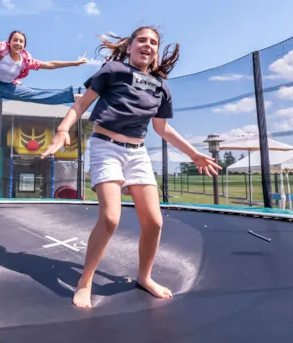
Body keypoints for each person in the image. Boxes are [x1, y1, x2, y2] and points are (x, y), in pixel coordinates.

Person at [41, 26, 221, 308]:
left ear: (156, 52)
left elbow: (162, 129)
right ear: (129, 46)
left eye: (153, 42)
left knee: (154, 222)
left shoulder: (162, 88)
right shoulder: (112, 71)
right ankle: (85, 281)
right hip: (106, 146)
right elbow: (82, 105)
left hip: (137, 154)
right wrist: (63, 130)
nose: (147, 45)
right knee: (111, 218)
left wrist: (194, 154)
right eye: (142, 40)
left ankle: (144, 277)